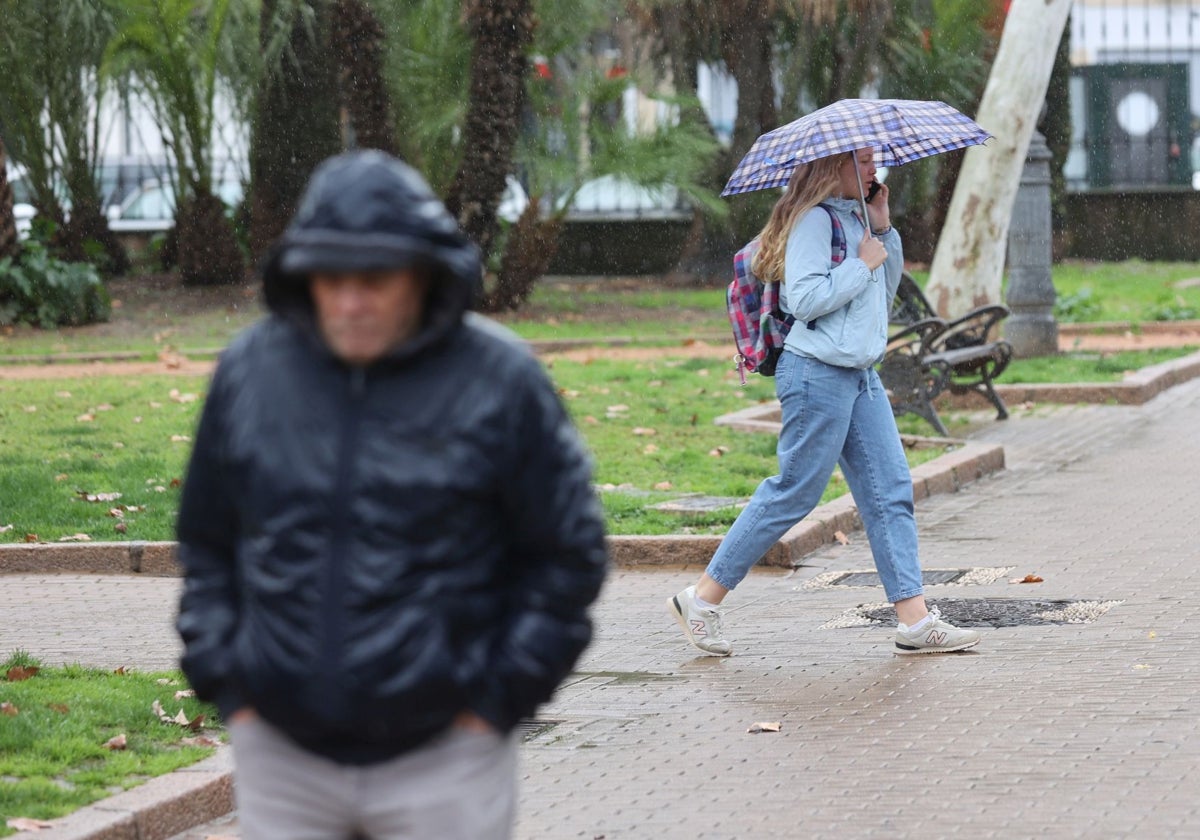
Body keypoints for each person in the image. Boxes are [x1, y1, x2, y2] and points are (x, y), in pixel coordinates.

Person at [175, 149, 609, 840]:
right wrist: (230, 685)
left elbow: (567, 557)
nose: (350, 301)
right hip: (282, 755)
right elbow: (207, 541)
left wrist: (494, 705)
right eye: (330, 277)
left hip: (446, 757)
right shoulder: (250, 374)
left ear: (421, 273)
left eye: (374, 277)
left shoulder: (500, 382)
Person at [669, 147, 980, 658]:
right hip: (815, 372)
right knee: (794, 491)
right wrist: (860, 263)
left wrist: (882, 230)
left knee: (890, 491)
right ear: (831, 167)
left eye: (872, 161)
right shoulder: (813, 222)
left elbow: (884, 292)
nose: (872, 171)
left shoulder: (854, 217)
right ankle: (700, 600)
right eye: (860, 162)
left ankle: (915, 621)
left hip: (858, 373)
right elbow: (807, 300)